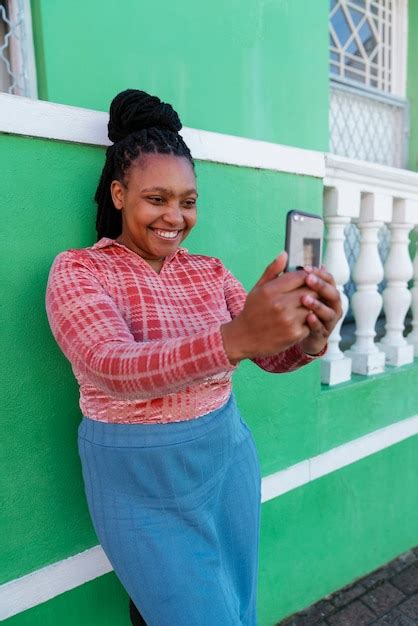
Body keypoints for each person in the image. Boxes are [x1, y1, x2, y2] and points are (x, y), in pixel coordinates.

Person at [45, 89, 341, 626]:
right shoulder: (79, 271)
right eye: (157, 198)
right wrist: (234, 338)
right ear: (118, 193)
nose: (175, 217)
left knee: (235, 607)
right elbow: (109, 365)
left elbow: (268, 357)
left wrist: (311, 338)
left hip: (225, 457)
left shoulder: (208, 270)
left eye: (187, 201)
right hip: (135, 475)